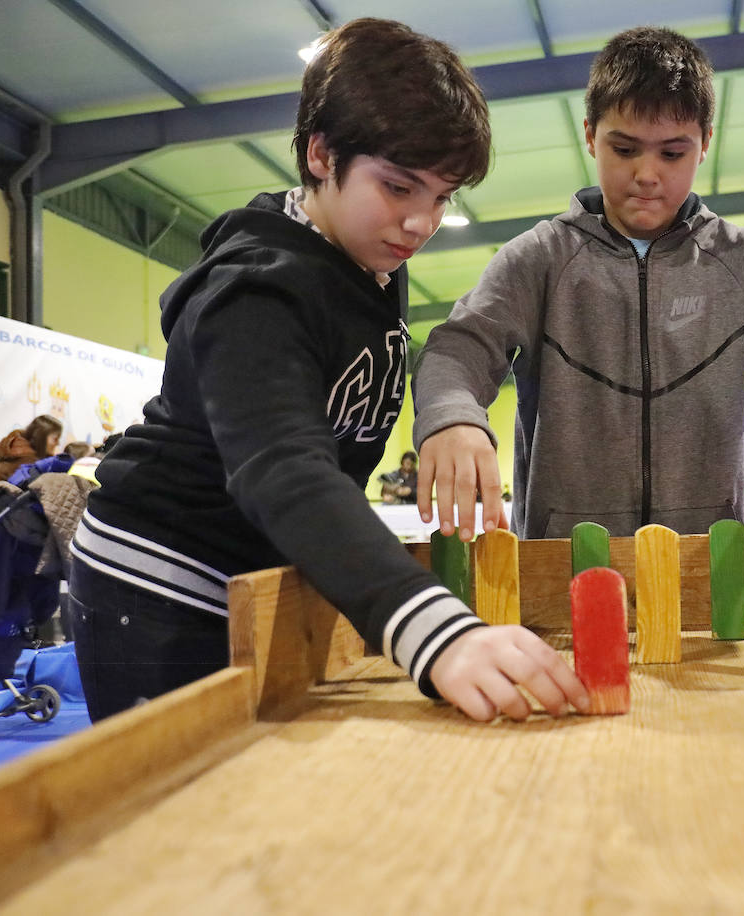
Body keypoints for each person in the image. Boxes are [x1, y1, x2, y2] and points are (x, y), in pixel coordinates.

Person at [67, 19, 588, 726]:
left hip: (261, 576)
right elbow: (284, 468)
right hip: (161, 581)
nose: (420, 222)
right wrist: (434, 630)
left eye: (441, 197)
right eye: (399, 187)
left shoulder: (368, 261)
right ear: (321, 154)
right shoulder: (255, 291)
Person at [412, 26, 744, 540]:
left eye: (672, 153)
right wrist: (453, 416)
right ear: (590, 135)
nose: (647, 174)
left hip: (707, 568)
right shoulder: (538, 259)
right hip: (563, 569)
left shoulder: (742, 261)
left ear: (705, 144)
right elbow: (457, 349)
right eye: (625, 148)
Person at [0, 414, 63, 484]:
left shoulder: (14, 449)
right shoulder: (30, 464)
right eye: (55, 439)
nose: (58, 443)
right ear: (42, 437)